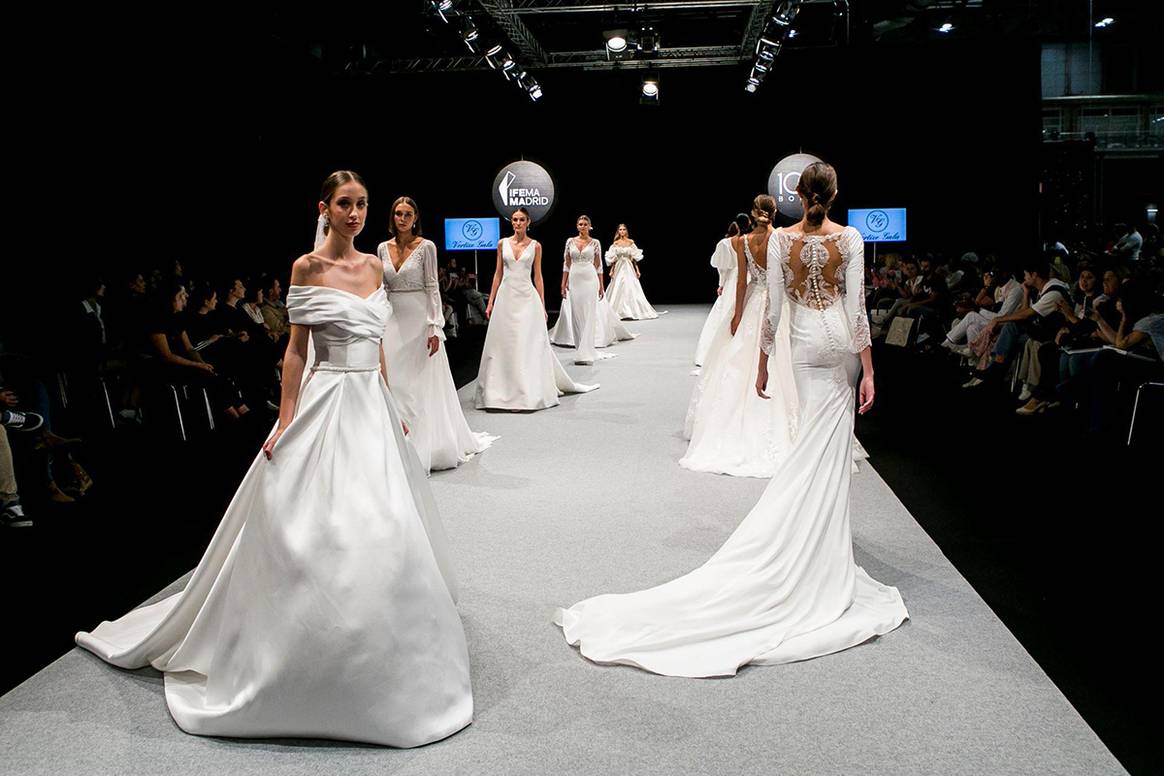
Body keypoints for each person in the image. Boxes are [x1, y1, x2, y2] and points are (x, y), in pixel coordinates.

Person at [75, 171, 473, 747]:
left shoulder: (375, 268)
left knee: (383, 520)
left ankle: (385, 654)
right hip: (327, 398)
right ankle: (298, 652)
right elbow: (295, 351)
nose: (355, 214)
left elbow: (378, 345)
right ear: (324, 208)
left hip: (370, 404)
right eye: (345, 204)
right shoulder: (306, 269)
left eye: (363, 205)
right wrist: (286, 420)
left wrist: (391, 401)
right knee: (311, 521)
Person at [555, 162, 907, 677]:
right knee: (826, 451)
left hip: (806, 346)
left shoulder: (783, 240)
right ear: (834, 195)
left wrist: (763, 360)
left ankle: (814, 544)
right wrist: (870, 370)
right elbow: (857, 312)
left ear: (796, 197)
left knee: (813, 443)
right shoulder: (850, 238)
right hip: (841, 352)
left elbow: (776, 310)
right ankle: (819, 549)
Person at [377, 196, 496, 472]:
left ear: (416, 217)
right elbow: (381, 287)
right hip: (392, 319)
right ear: (392, 217)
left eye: (408, 214)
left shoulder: (426, 247)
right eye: (398, 213)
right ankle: (398, 442)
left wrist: (434, 325)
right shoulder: (382, 248)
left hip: (419, 319)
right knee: (394, 380)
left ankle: (426, 444)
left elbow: (432, 286)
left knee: (419, 381)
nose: (402, 218)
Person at [475, 208, 598, 410]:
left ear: (528, 222)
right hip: (506, 297)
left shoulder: (536, 246)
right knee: (504, 342)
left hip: (526, 298)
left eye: (521, 220)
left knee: (525, 340)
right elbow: (498, 274)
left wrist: (542, 305)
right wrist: (490, 302)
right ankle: (500, 390)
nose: (517, 223)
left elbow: (538, 277)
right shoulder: (502, 243)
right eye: (515, 220)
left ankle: (525, 389)